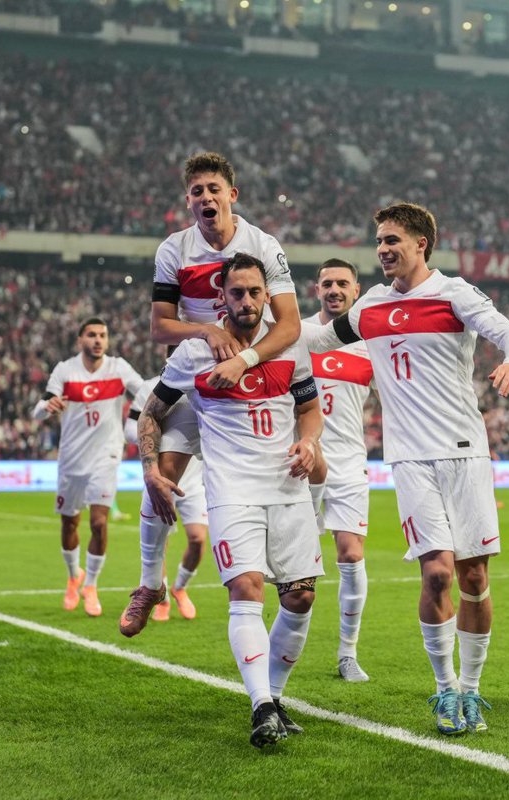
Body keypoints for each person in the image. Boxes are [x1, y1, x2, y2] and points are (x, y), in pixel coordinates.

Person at [306, 202, 509, 735]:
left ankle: (473, 691)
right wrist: (254, 337)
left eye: (391, 241)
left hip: (465, 453)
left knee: (474, 574)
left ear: (420, 244)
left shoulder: (455, 295)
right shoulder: (370, 308)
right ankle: (446, 689)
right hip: (408, 459)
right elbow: (313, 341)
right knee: (436, 573)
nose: (383, 249)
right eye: (379, 241)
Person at [138, 253, 324, 748]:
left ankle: (275, 699)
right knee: (247, 590)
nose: (245, 301)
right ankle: (260, 705)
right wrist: (150, 468)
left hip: (288, 490)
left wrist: (309, 442)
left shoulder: (290, 346)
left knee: (301, 596)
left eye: (254, 292)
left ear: (268, 296)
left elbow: (309, 408)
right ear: (220, 297)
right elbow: (150, 415)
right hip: (232, 493)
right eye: (236, 292)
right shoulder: (195, 354)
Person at [124, 152, 302, 630]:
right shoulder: (173, 250)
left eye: (214, 189)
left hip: (254, 379)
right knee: (160, 477)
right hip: (195, 380)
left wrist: (244, 358)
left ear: (231, 195)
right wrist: (206, 333)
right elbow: (160, 328)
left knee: (293, 470)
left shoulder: (263, 245)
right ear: (189, 201)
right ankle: (149, 584)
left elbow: (289, 326)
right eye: (197, 191)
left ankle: (293, 572)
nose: (206, 197)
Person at [31, 318, 144, 616]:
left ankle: (91, 585)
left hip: (105, 457)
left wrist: (132, 419)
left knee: (98, 523)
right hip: (71, 459)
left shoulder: (119, 368)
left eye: (102, 335)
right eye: (92, 335)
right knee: (69, 523)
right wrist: (47, 407)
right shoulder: (65, 370)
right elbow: (37, 411)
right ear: (80, 339)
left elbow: (145, 391)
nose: (98, 340)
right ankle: (73, 576)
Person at [303, 258, 375, 682]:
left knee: (351, 554)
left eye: (342, 283)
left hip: (348, 464)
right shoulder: (300, 336)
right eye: (327, 283)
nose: (334, 289)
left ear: (356, 289)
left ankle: (348, 653)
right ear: (317, 290)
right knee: (298, 572)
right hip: (299, 465)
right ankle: (284, 648)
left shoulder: (371, 345)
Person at [120, 378, 207, 631]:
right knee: (162, 538)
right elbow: (130, 429)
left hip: (194, 477)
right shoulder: (150, 387)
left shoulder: (207, 377)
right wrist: (161, 425)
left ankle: (180, 587)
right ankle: (162, 596)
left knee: (198, 539)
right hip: (162, 471)